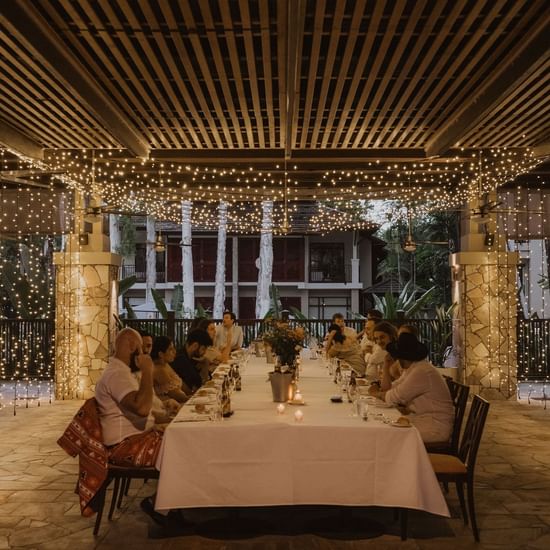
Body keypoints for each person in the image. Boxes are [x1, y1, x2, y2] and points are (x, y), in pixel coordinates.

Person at [368, 332, 454, 443]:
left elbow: (394, 397)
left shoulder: (422, 371)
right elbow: (391, 389)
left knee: (388, 435)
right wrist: (386, 365)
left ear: (401, 357)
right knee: (384, 426)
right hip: (423, 420)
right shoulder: (415, 368)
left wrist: (375, 393)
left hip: (435, 427)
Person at [171, 329, 212, 394]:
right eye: (203, 349)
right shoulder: (180, 359)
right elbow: (198, 383)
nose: (204, 353)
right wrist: (206, 363)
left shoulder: (191, 357)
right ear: (195, 345)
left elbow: (209, 376)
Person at [151, 335, 190, 403]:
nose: (174, 351)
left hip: (180, 401)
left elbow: (182, 385)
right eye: (170, 349)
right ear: (161, 354)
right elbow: (175, 394)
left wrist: (192, 394)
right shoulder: (159, 370)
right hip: (170, 407)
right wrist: (193, 399)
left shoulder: (166, 364)